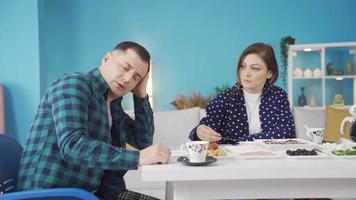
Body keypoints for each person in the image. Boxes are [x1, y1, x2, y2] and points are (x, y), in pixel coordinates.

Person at [18, 41, 171, 200]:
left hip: (96, 194)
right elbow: (73, 145)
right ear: (107, 59)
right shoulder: (75, 83)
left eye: (136, 78)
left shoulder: (112, 105)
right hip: (54, 195)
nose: (127, 79)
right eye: (125, 68)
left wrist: (140, 95)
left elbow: (143, 141)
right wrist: (138, 157)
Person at [189, 42, 295, 143]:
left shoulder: (278, 95)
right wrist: (199, 132)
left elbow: (286, 132)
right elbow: (204, 129)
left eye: (255, 68)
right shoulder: (225, 98)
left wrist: (240, 141)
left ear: (269, 73)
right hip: (233, 159)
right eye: (243, 66)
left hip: (272, 159)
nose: (246, 73)